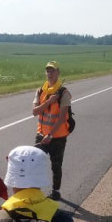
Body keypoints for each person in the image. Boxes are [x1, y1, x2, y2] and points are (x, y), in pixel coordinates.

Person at [31, 61, 72, 201]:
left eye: (52, 70)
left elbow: (61, 119)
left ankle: (56, 192)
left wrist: (51, 134)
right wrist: (49, 101)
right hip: (41, 134)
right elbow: (35, 112)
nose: (49, 73)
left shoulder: (64, 93)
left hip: (58, 136)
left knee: (56, 165)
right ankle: (34, 191)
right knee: (35, 162)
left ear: (58, 72)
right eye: (48, 70)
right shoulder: (40, 91)